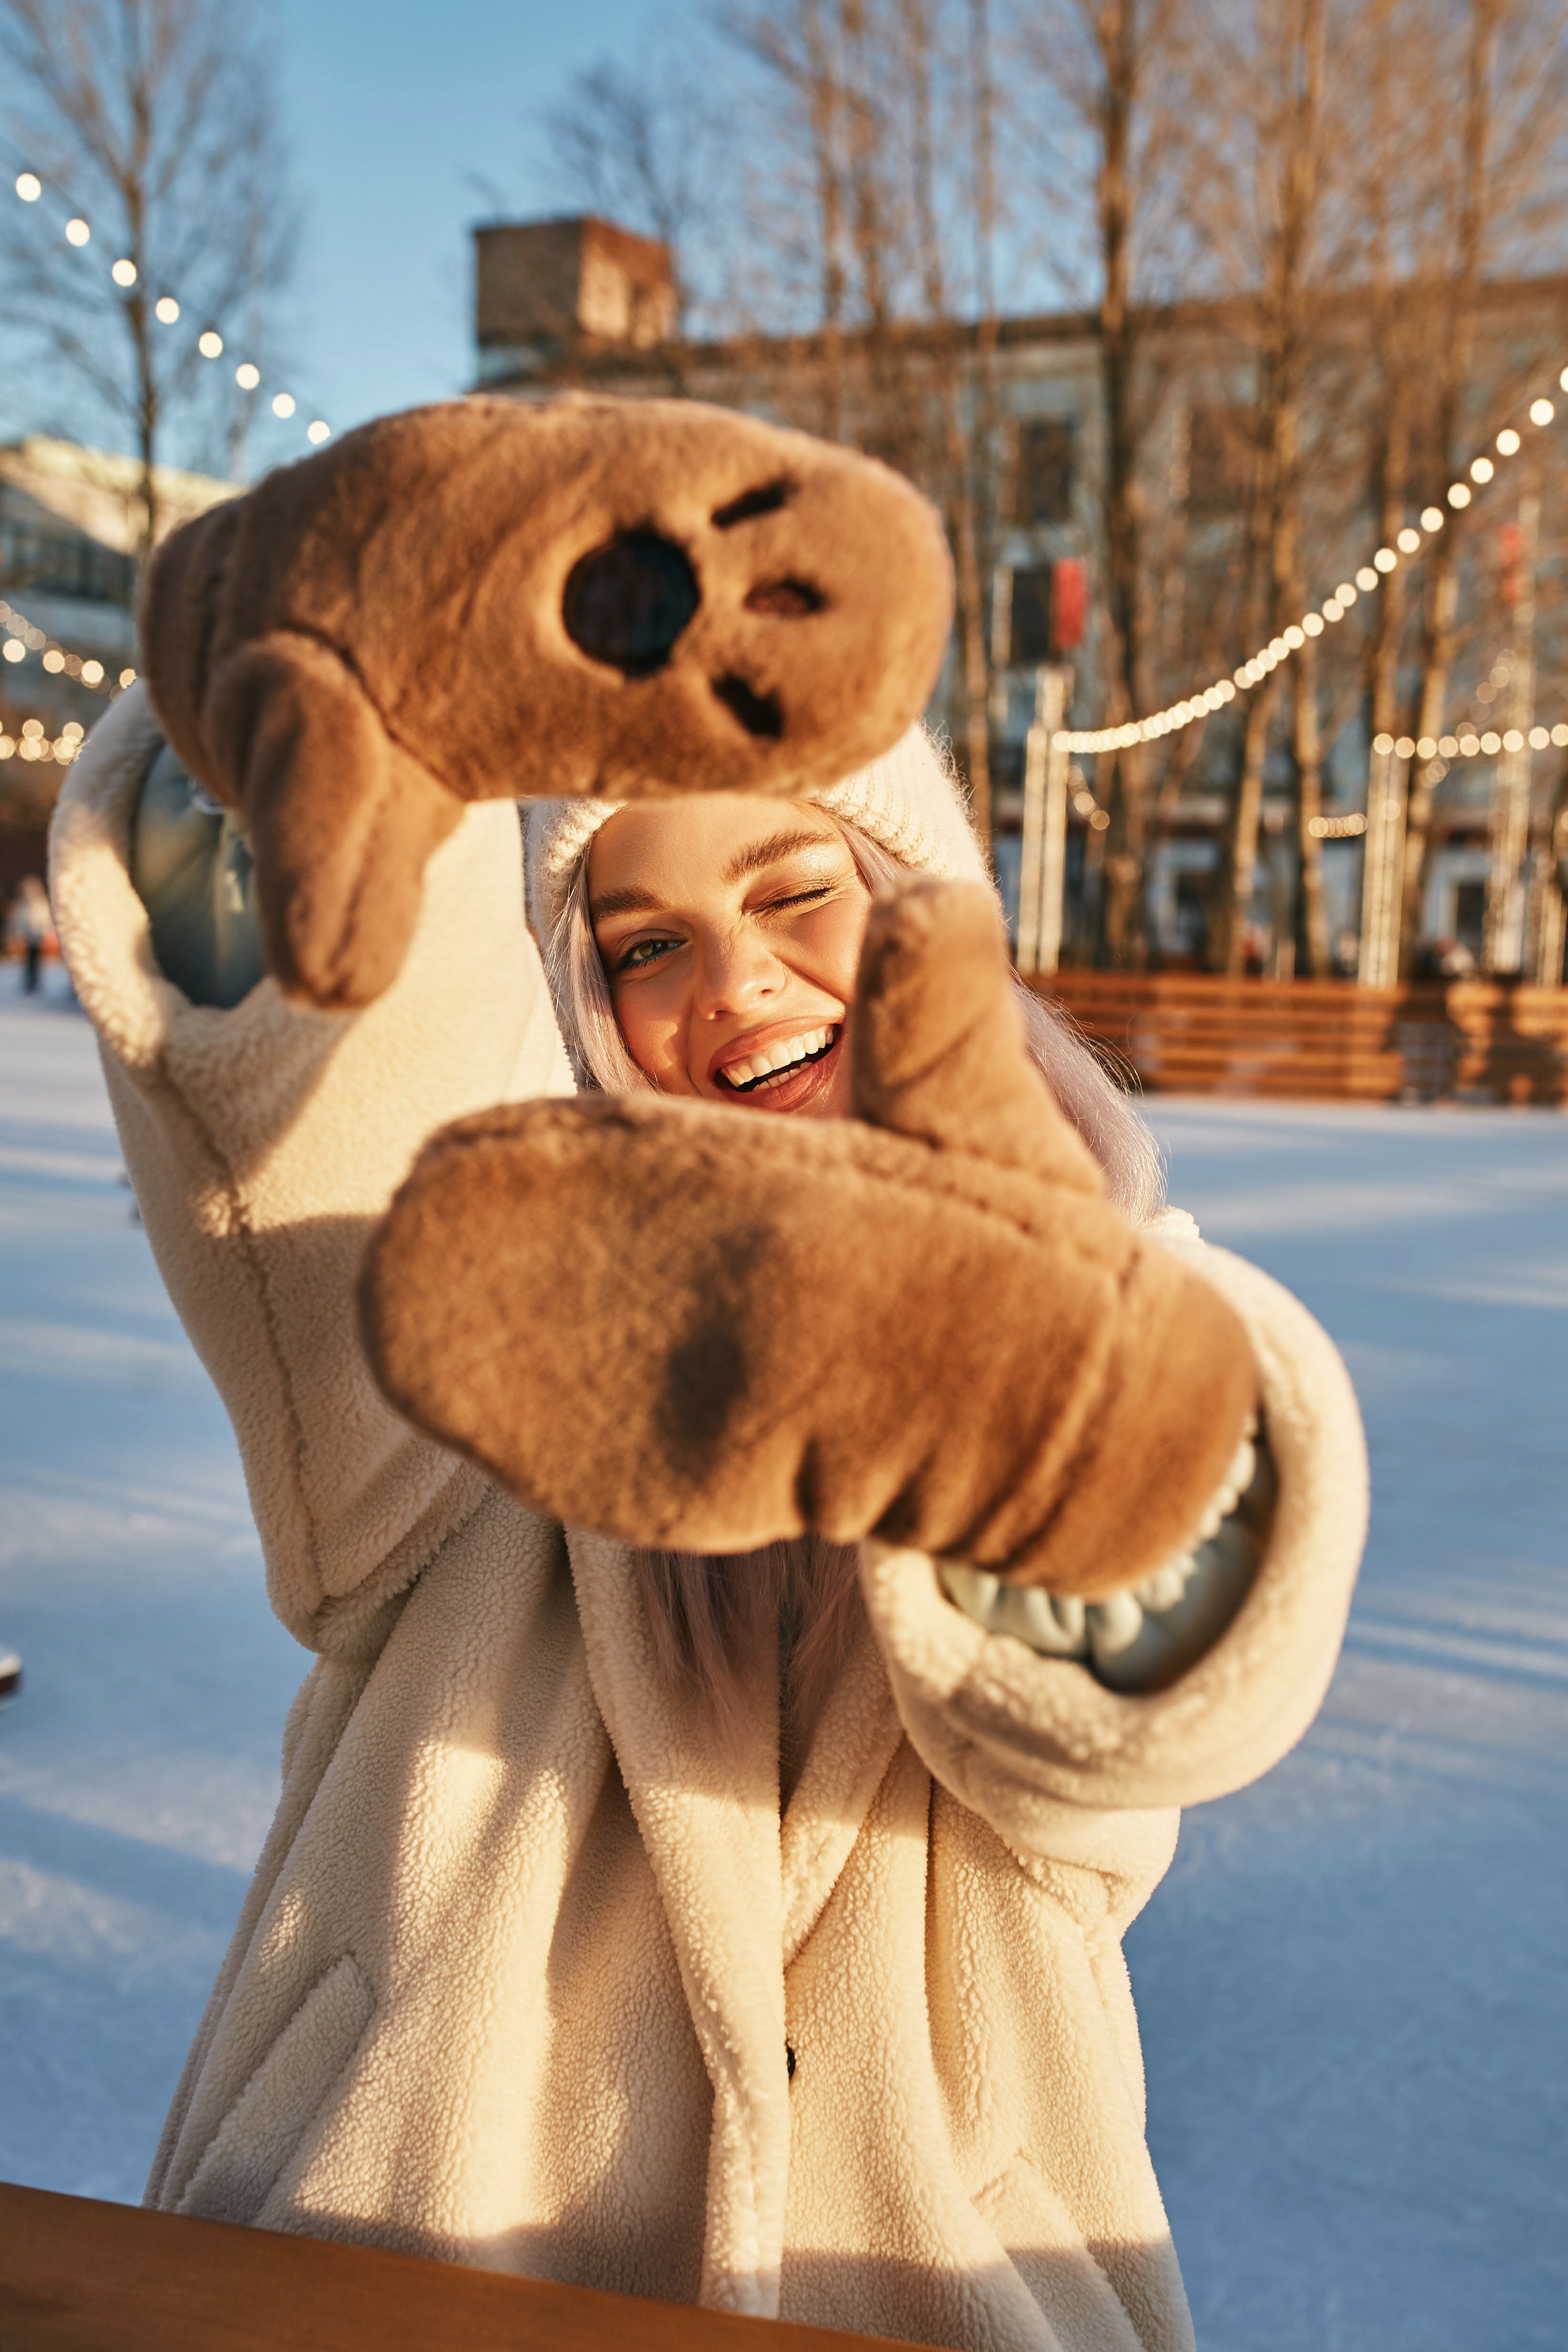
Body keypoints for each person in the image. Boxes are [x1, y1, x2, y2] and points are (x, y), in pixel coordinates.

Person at [47, 672, 1365, 2352]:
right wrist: (307, 721)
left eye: (795, 891)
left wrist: (997, 1345)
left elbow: (1139, 1692)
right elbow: (319, 1098)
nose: (734, 983)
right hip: (388, 2267)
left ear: (921, 919)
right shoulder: (487, 1331)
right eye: (641, 944)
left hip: (931, 2291)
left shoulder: (1126, 1318)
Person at [5, 873, 52, 993]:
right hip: (28, 938)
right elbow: (18, 920)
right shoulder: (22, 906)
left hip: (37, 937)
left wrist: (44, 932)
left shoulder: (42, 904)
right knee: (29, 961)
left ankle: (35, 982)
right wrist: (18, 934)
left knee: (36, 961)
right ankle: (29, 982)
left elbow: (46, 919)